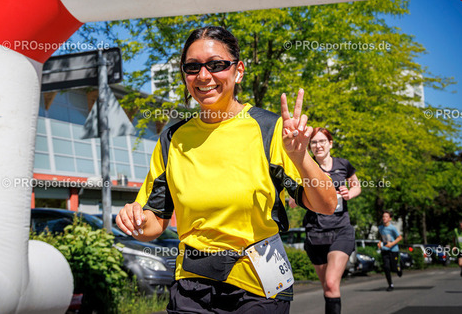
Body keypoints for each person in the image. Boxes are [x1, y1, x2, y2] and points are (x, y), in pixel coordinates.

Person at [116, 26, 337, 313]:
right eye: (192, 67)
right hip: (192, 286)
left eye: (216, 65)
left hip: (258, 286)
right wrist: (134, 220)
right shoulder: (172, 139)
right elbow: (155, 220)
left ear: (238, 71)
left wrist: (301, 157)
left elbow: (327, 204)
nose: (203, 76)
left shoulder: (271, 129)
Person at [289, 127, 361, 314]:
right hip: (315, 234)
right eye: (314, 142)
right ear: (309, 147)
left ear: (330, 143)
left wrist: (349, 193)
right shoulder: (306, 167)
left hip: (340, 230)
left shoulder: (343, 164)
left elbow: (356, 186)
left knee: (331, 283)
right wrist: (313, 185)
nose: (318, 145)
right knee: (328, 288)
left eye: (322, 141)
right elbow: (292, 202)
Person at [378, 211, 402, 291]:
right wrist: (380, 242)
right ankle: (390, 285)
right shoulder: (380, 228)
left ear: (390, 219)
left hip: (393, 250)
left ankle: (398, 268)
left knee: (393, 268)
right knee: (386, 267)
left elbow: (399, 237)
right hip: (385, 250)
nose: (384, 218)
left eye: (386, 216)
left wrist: (391, 244)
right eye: (383, 216)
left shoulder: (392, 228)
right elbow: (382, 237)